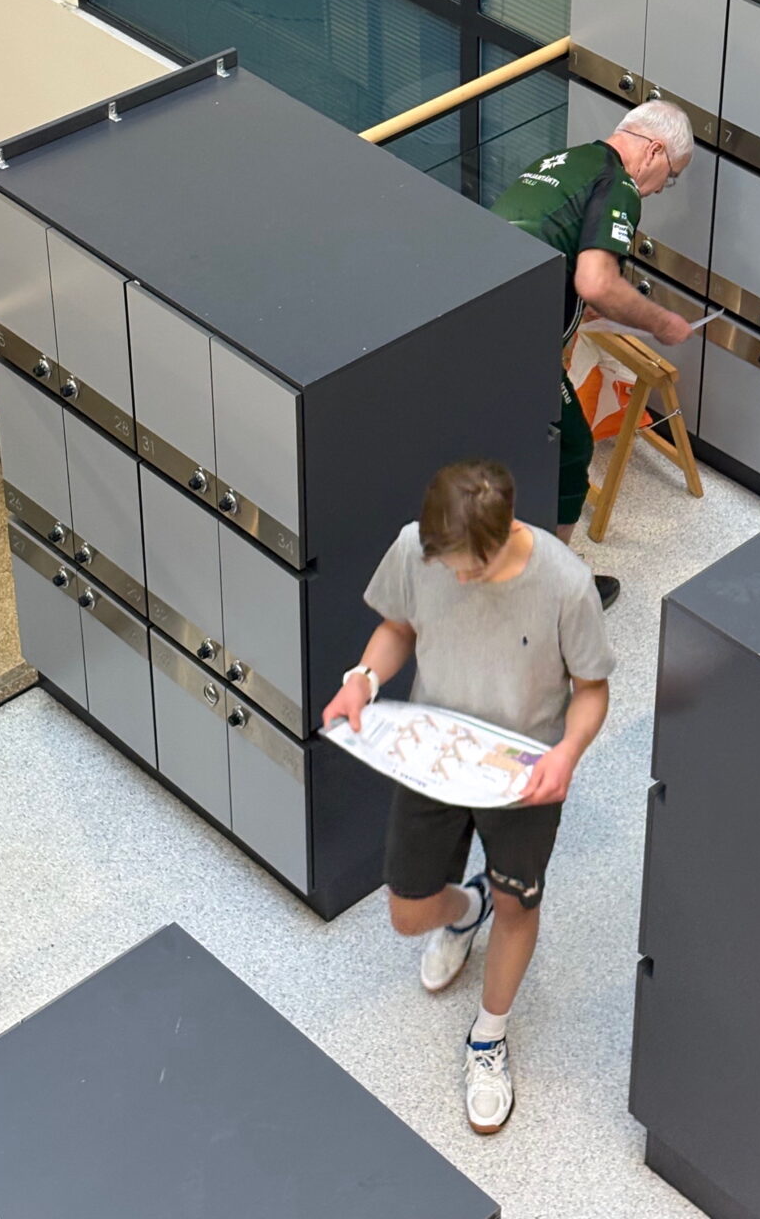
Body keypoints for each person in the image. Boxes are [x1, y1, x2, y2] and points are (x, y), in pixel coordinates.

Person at [322, 459, 613, 1136]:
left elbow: (592, 690)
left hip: (523, 770)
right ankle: (467, 907)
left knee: (518, 904)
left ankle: (488, 1036)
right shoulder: (415, 547)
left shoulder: (565, 585)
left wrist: (567, 753)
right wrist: (363, 679)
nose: (456, 580)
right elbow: (398, 626)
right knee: (408, 913)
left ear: (506, 532)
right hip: (435, 751)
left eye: (470, 569)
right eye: (445, 567)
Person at [490, 99, 696, 609]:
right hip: (515, 338)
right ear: (654, 151)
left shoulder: (564, 161)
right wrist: (662, 322)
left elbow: (553, 250)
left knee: (516, 441)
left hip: (480, 310)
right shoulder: (619, 183)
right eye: (670, 177)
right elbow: (597, 282)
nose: (659, 188)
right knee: (571, 447)